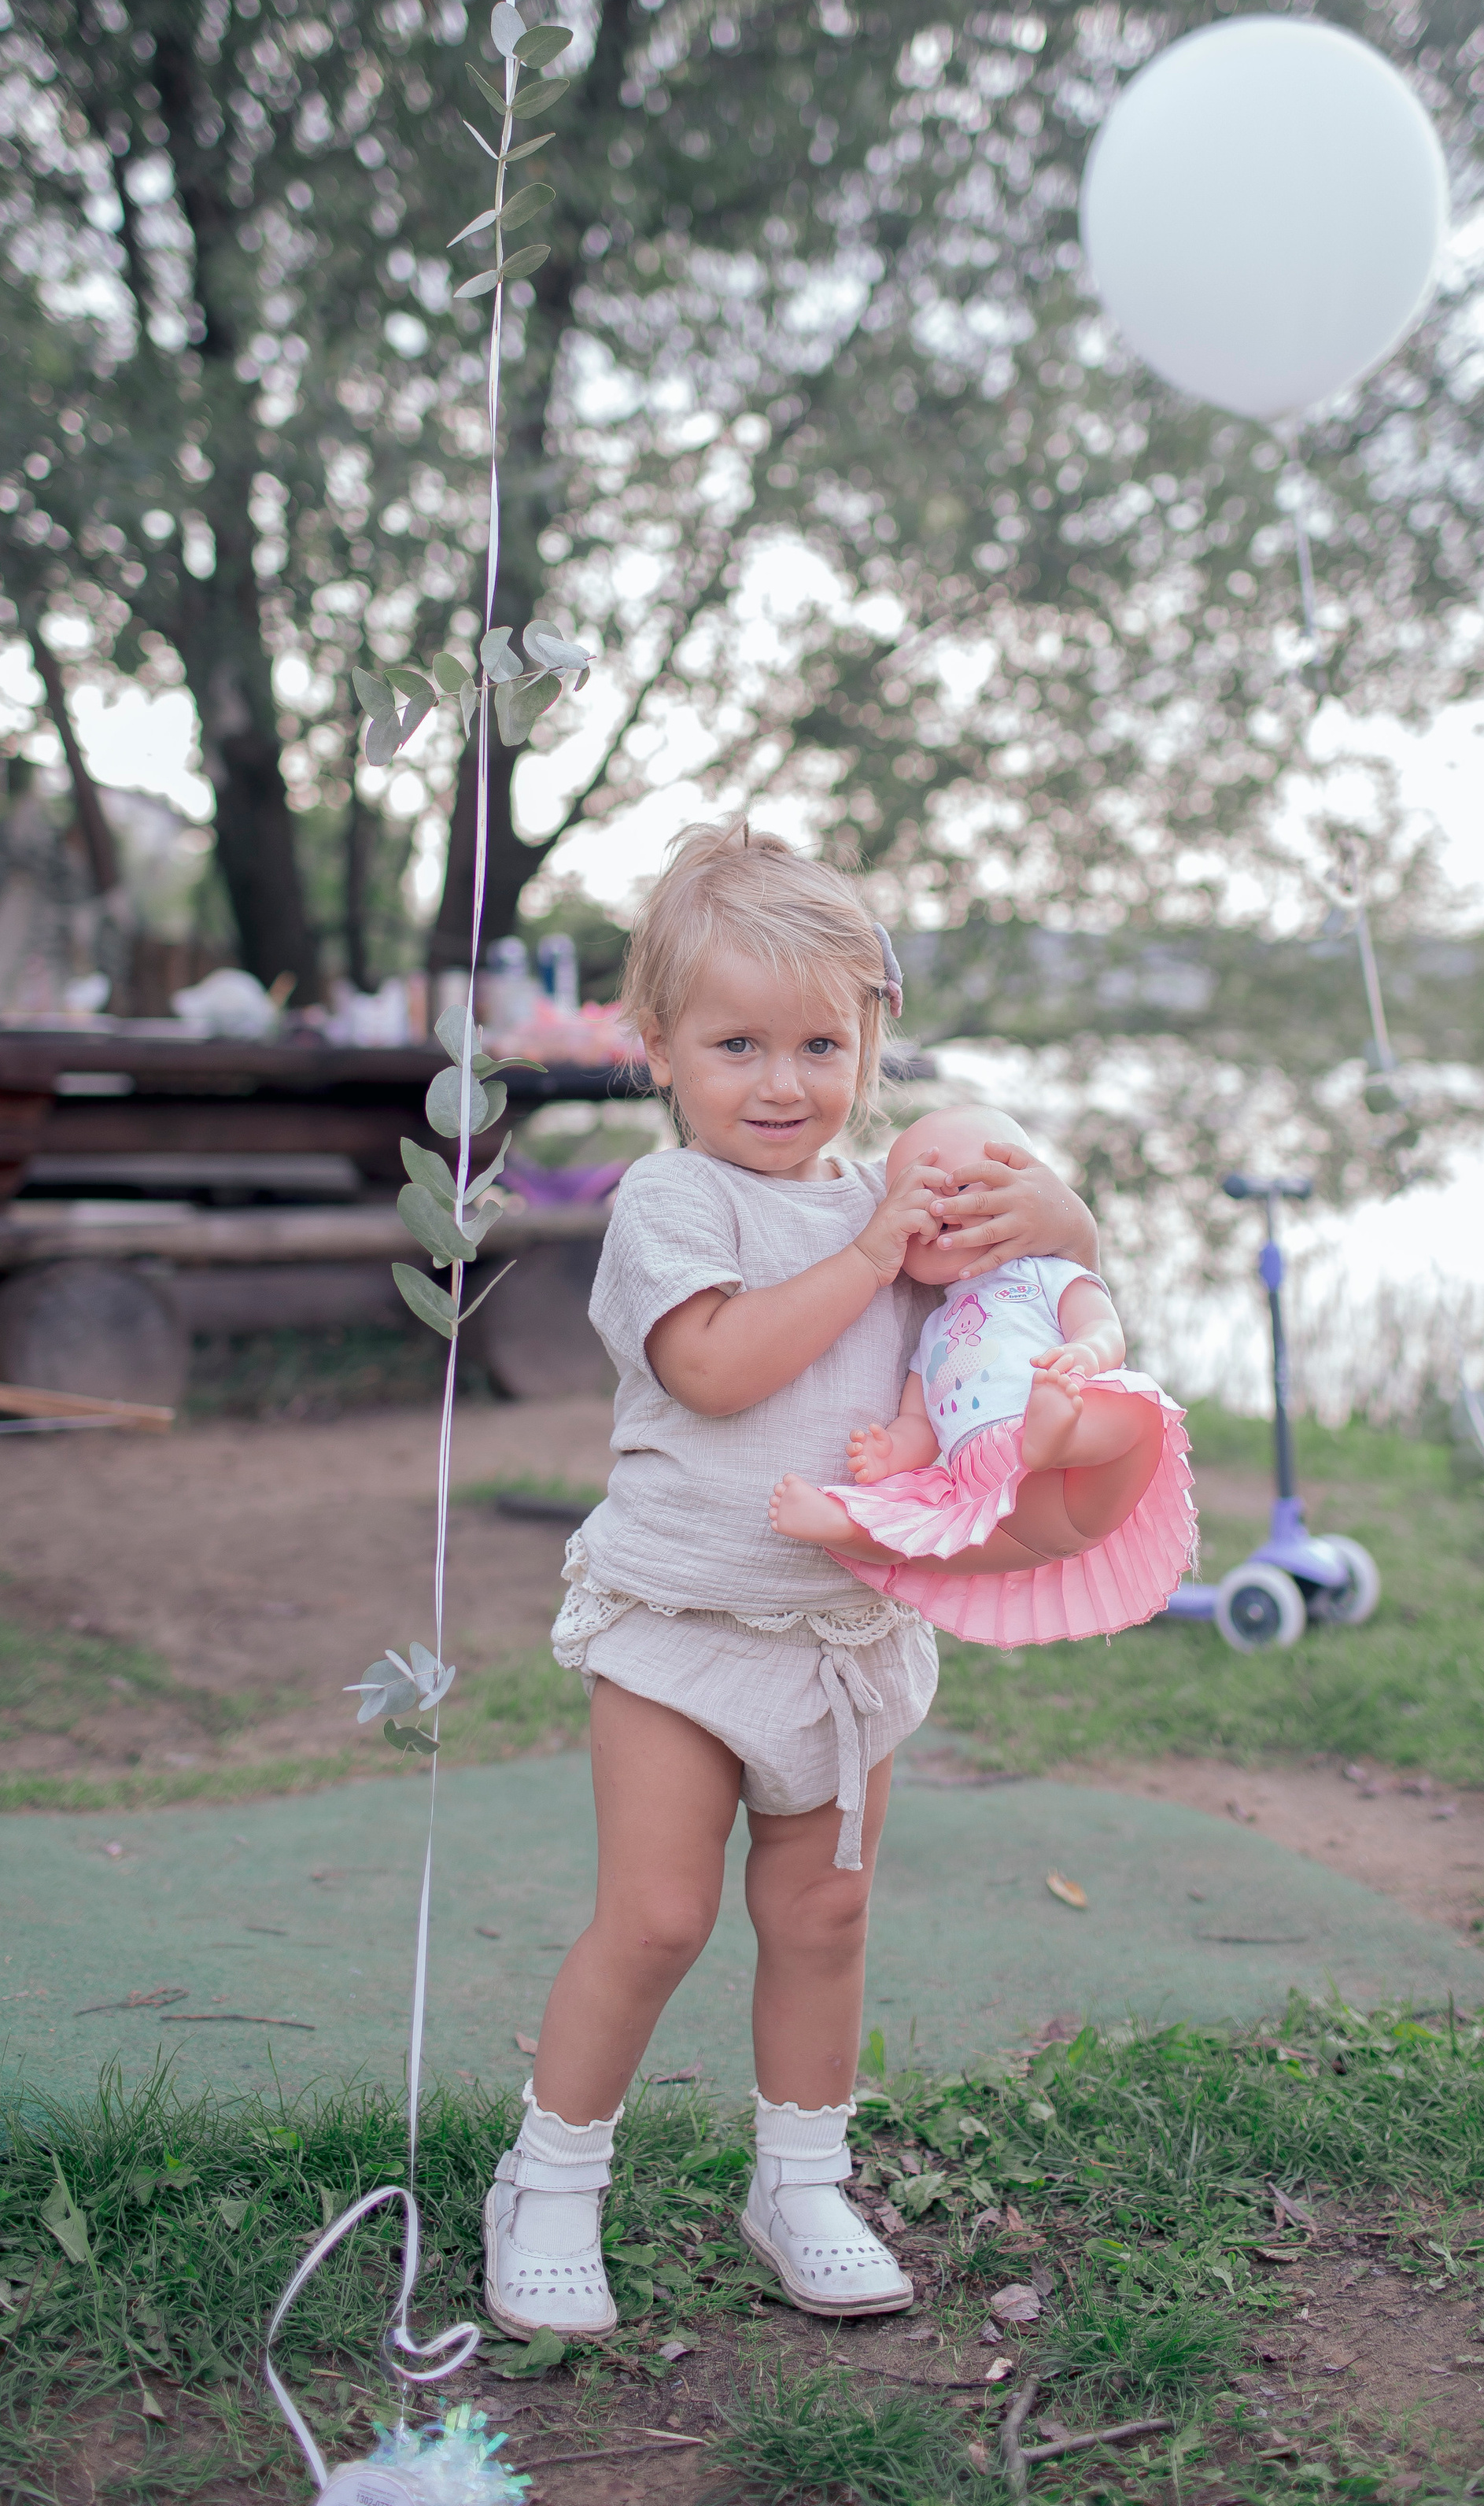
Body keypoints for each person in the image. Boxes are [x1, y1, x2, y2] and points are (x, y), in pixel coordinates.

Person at [483, 823, 1102, 2341]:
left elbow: (1038, 1304)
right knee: (657, 1915)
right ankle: (550, 2183)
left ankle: (801, 2178)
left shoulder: (904, 1201)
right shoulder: (676, 1206)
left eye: (821, 1042)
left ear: (873, 1038)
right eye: (737, 1042)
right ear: (659, 1052)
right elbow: (711, 1368)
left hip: (845, 1632)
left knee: (823, 1918)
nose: (781, 1080)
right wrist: (875, 1249)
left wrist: (1069, 1235)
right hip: (682, 1630)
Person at [770, 1102, 1195, 1645]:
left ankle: (1061, 1432)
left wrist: (1086, 1356)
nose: (942, 1204)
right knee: (926, 1537)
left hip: (1077, 1477)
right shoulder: (933, 1329)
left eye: (967, 1186)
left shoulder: (1046, 1273)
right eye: (919, 1194)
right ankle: (843, 1525)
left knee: (1139, 1416)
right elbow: (919, 1422)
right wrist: (891, 1452)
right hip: (992, 1499)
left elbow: (1104, 1330)